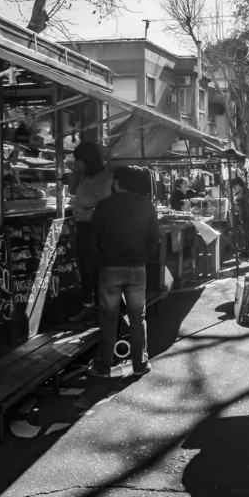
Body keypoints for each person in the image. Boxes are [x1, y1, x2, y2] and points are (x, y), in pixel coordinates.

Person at [88, 166, 160, 378]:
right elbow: (154, 238)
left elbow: (92, 242)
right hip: (137, 267)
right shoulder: (146, 205)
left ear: (117, 183)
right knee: (138, 316)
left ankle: (103, 366)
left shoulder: (103, 206)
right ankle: (140, 363)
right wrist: (144, 257)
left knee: (108, 317)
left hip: (110, 267)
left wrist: (98, 263)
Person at [68, 141, 112, 323]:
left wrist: (88, 209)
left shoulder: (104, 178)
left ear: (87, 159)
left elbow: (106, 205)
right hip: (81, 226)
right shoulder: (83, 176)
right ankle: (88, 306)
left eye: (78, 158)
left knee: (94, 269)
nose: (76, 161)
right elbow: (71, 190)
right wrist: (76, 171)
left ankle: (101, 308)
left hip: (94, 229)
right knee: (84, 269)